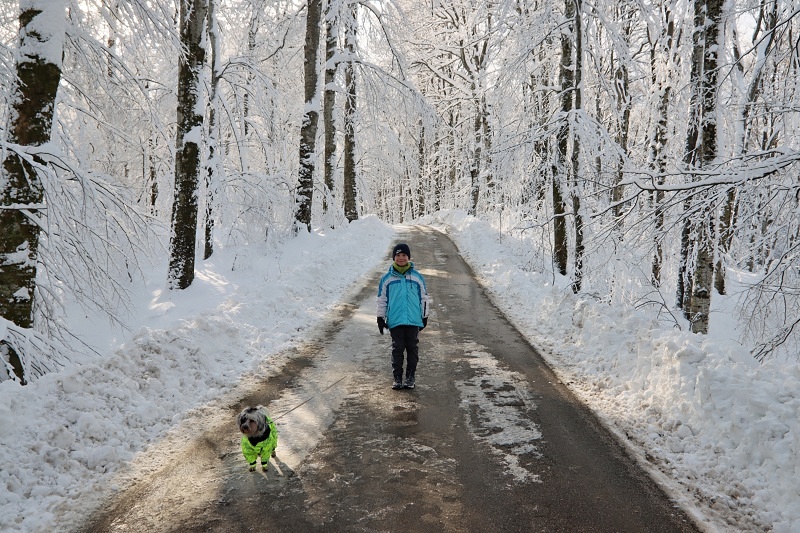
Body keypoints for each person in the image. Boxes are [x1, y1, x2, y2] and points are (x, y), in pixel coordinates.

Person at [376, 242, 430, 389]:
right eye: (398, 255)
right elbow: (382, 299)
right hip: (395, 320)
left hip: (413, 320)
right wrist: (380, 318)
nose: (401, 258)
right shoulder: (387, 279)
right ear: (394, 257)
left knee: (412, 348)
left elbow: (424, 298)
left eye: (404, 255)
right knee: (397, 348)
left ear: (409, 257)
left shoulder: (417, 277)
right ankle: (397, 378)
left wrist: (424, 316)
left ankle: (410, 377)